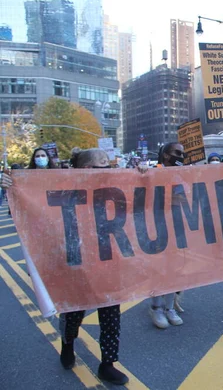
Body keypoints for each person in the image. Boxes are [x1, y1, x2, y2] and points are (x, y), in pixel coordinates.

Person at [1, 148, 133, 385]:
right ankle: (68, 344)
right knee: (73, 313)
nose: (105, 168)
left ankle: (108, 363)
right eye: (98, 165)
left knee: (111, 316)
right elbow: (31, 209)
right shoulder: (62, 188)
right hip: (76, 264)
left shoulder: (116, 185)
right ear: (81, 169)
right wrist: (11, 186)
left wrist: (143, 174)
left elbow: (145, 199)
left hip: (109, 263)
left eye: (107, 164)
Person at [148, 142, 185, 329]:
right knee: (158, 268)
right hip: (157, 225)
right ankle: (156, 307)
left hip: (176, 225)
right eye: (177, 153)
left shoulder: (181, 174)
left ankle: (170, 307)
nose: (181, 156)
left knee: (173, 268)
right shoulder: (153, 171)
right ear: (166, 156)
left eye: (183, 153)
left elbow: (183, 199)